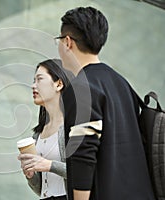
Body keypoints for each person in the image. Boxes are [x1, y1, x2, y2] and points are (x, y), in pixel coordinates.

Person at [56, 6, 155, 200]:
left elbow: (83, 154)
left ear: (67, 42)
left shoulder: (81, 88)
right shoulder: (121, 82)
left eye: (59, 40)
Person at [18, 59, 71, 200]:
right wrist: (30, 175)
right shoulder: (38, 133)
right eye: (33, 80)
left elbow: (84, 172)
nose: (33, 86)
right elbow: (41, 188)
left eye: (39, 79)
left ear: (59, 84)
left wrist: (49, 165)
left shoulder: (73, 127)